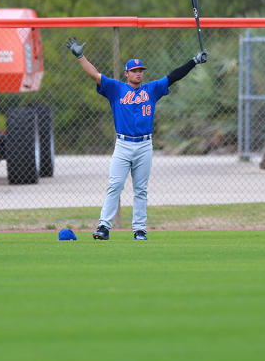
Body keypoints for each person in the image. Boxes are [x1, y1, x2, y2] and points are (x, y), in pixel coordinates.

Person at [66, 37, 207, 240]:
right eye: (134, 70)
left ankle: (139, 229)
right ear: (127, 73)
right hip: (123, 144)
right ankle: (104, 227)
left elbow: (174, 76)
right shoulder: (116, 89)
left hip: (144, 145)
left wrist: (194, 61)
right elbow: (95, 75)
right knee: (115, 185)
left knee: (141, 189)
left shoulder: (151, 89)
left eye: (140, 70)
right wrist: (80, 56)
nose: (138, 73)